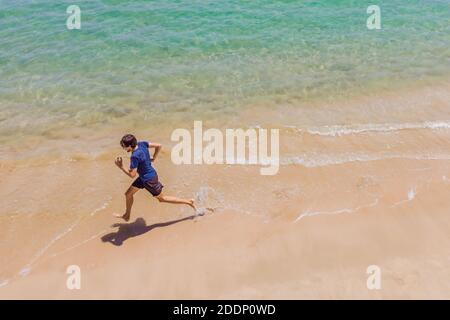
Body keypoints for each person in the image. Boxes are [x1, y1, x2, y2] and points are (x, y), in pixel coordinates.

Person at [114, 134, 196, 221]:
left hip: (149, 180)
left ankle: (188, 202)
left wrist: (121, 166)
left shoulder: (134, 156)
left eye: (124, 146)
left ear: (130, 145)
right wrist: (154, 157)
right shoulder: (142, 144)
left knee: (162, 199)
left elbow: (132, 175)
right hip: (144, 177)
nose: (123, 148)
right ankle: (127, 215)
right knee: (128, 194)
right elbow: (159, 145)